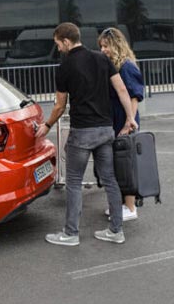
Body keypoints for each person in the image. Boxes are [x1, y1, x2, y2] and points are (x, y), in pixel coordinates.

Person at [35, 22, 138, 246]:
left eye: (58, 44)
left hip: (82, 132)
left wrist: (47, 125)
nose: (58, 48)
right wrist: (130, 118)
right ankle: (116, 231)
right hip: (105, 129)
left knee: (73, 182)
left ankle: (70, 234)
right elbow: (122, 89)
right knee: (110, 179)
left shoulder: (65, 67)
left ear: (66, 41)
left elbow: (59, 106)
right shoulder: (102, 59)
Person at [98, 27, 145, 221]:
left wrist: (129, 121)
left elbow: (135, 96)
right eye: (101, 46)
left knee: (127, 165)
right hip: (117, 119)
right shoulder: (116, 65)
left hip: (125, 120)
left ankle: (130, 207)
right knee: (119, 164)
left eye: (106, 46)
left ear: (116, 45)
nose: (102, 50)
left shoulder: (126, 66)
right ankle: (122, 204)